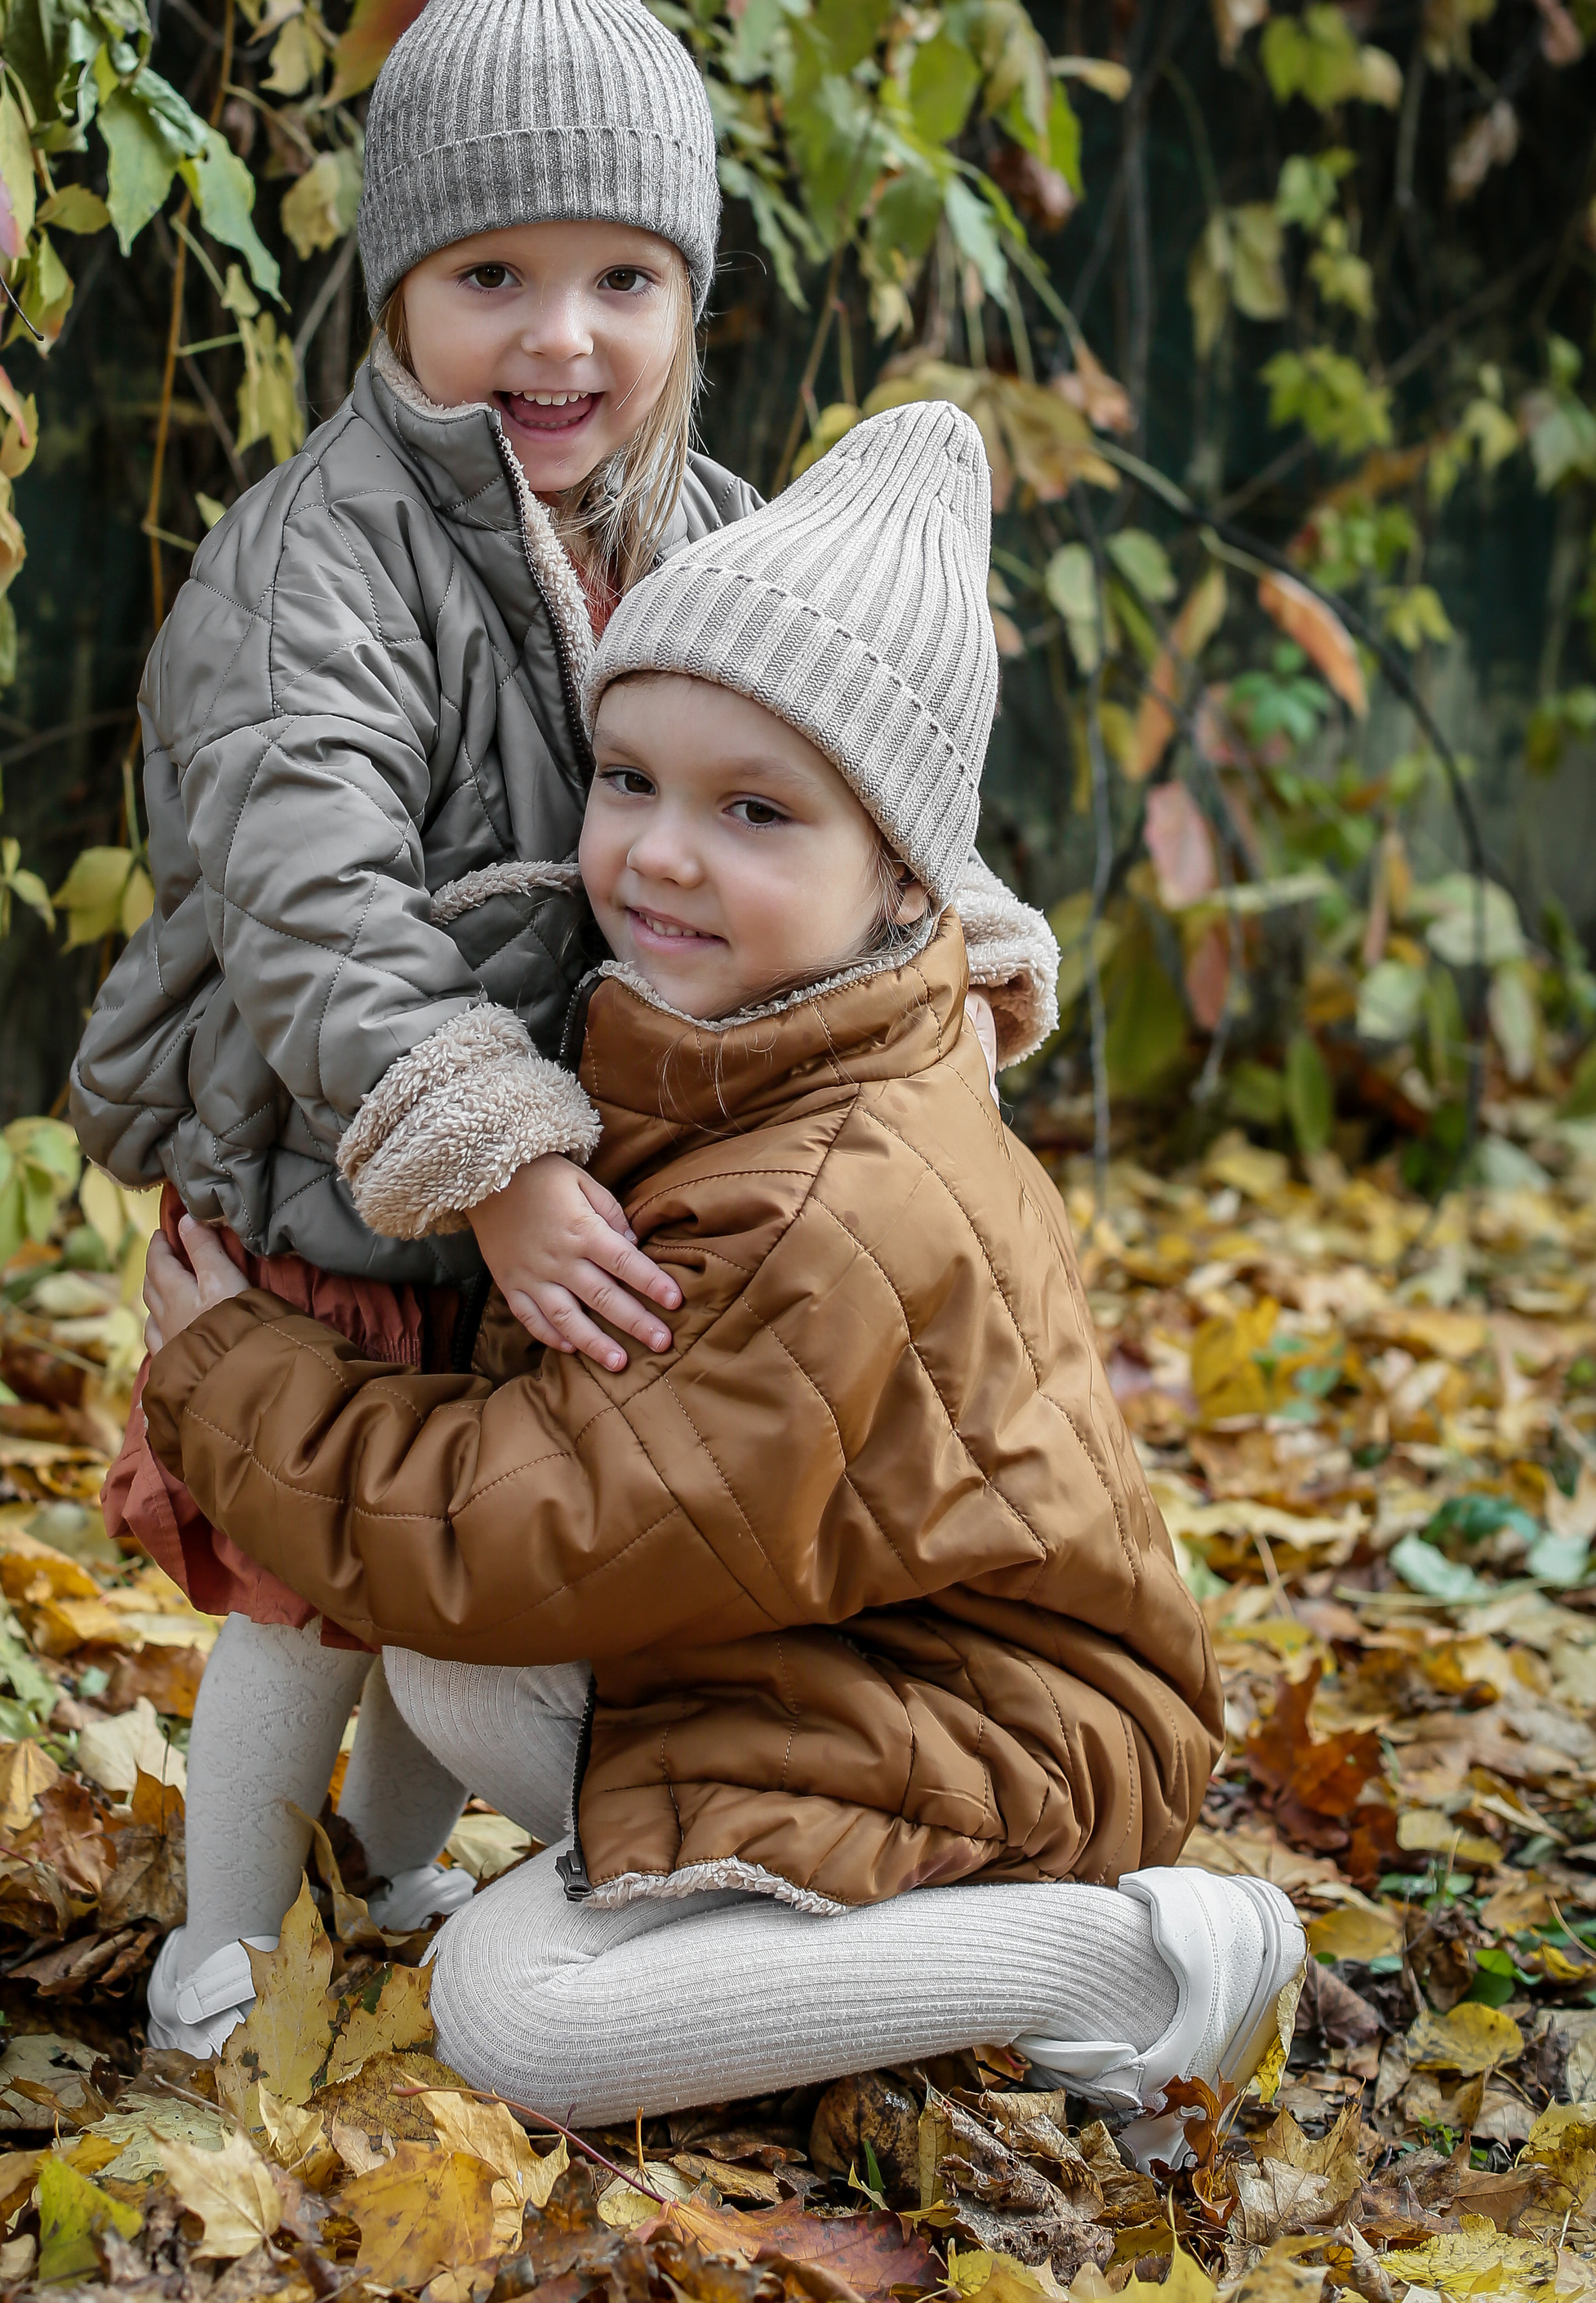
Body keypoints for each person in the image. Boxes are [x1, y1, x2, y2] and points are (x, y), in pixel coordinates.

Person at [73, 0, 1062, 2058]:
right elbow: (313, 891)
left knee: (482, 1535)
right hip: (350, 1149)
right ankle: (222, 1937)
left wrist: (952, 931)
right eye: (489, 279)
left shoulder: (688, 519)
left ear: (689, 298)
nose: (561, 341)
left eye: (625, 280)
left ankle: (409, 1869)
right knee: (319, 1586)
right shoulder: (315, 566)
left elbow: (829, 736)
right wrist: (492, 1150)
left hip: (576, 1176)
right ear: (397, 290)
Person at [136, 399, 1300, 2157]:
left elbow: (525, 1528)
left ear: (903, 870)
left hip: (1009, 1733)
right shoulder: (743, 1046)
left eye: (753, 809)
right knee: (462, 1680)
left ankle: (1118, 1965)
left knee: (515, 2009)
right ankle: (754, 1925)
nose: (662, 854)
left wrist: (234, 1376)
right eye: (631, 781)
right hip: (860, 1663)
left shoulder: (828, 1195)